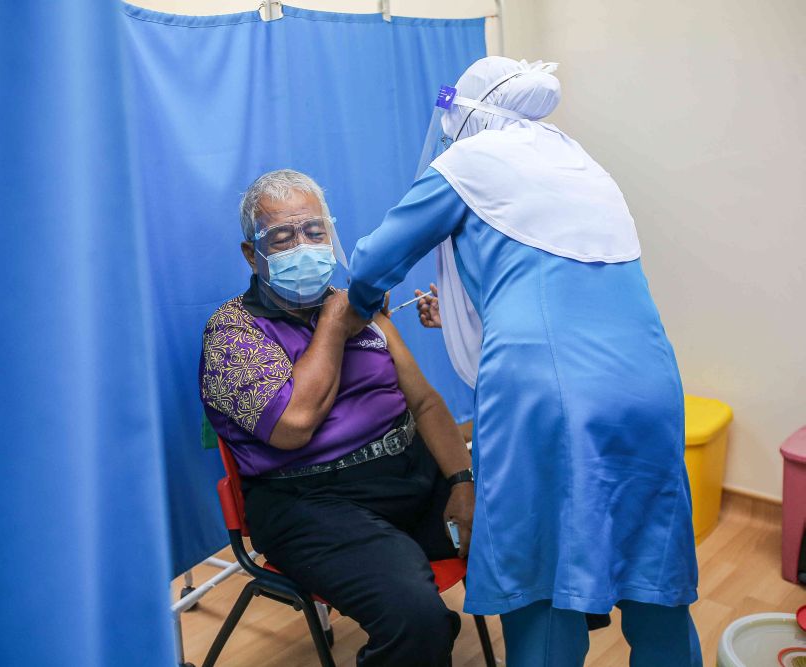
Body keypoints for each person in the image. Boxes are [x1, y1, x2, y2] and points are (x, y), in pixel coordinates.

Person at [343, 57, 701, 666]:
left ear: (465, 118)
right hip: (650, 381)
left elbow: (374, 261)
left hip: (546, 389)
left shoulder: (468, 164)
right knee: (651, 562)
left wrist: (360, 306)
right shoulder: (579, 163)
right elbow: (548, 280)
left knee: (542, 566)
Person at [198, 169, 476, 667]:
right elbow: (293, 425)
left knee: (534, 532)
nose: (303, 245)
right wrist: (332, 323)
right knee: (416, 619)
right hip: (313, 503)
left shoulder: (362, 310)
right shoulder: (232, 332)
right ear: (251, 255)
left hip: (410, 478)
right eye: (282, 237)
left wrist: (461, 480)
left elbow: (427, 404)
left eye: (314, 231)